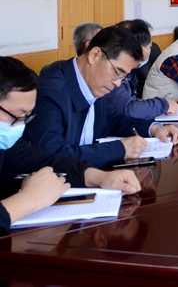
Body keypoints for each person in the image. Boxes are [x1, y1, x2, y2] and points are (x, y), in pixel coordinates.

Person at [0, 56, 141, 234]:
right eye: (18, 116)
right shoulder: (55, 90)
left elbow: (40, 160)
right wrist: (28, 200)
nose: (21, 125)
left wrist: (97, 177)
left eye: (27, 117)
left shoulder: (7, 143)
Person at [24, 27, 178, 167]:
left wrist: (154, 129)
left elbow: (112, 120)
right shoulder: (51, 92)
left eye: (123, 77)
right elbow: (50, 155)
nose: (118, 83)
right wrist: (119, 149)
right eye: (117, 72)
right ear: (94, 55)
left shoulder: (94, 82)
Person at [103, 20, 178, 120]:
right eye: (149, 47)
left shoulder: (131, 73)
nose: (150, 50)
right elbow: (129, 110)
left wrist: (152, 127)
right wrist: (163, 104)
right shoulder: (111, 73)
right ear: (139, 48)